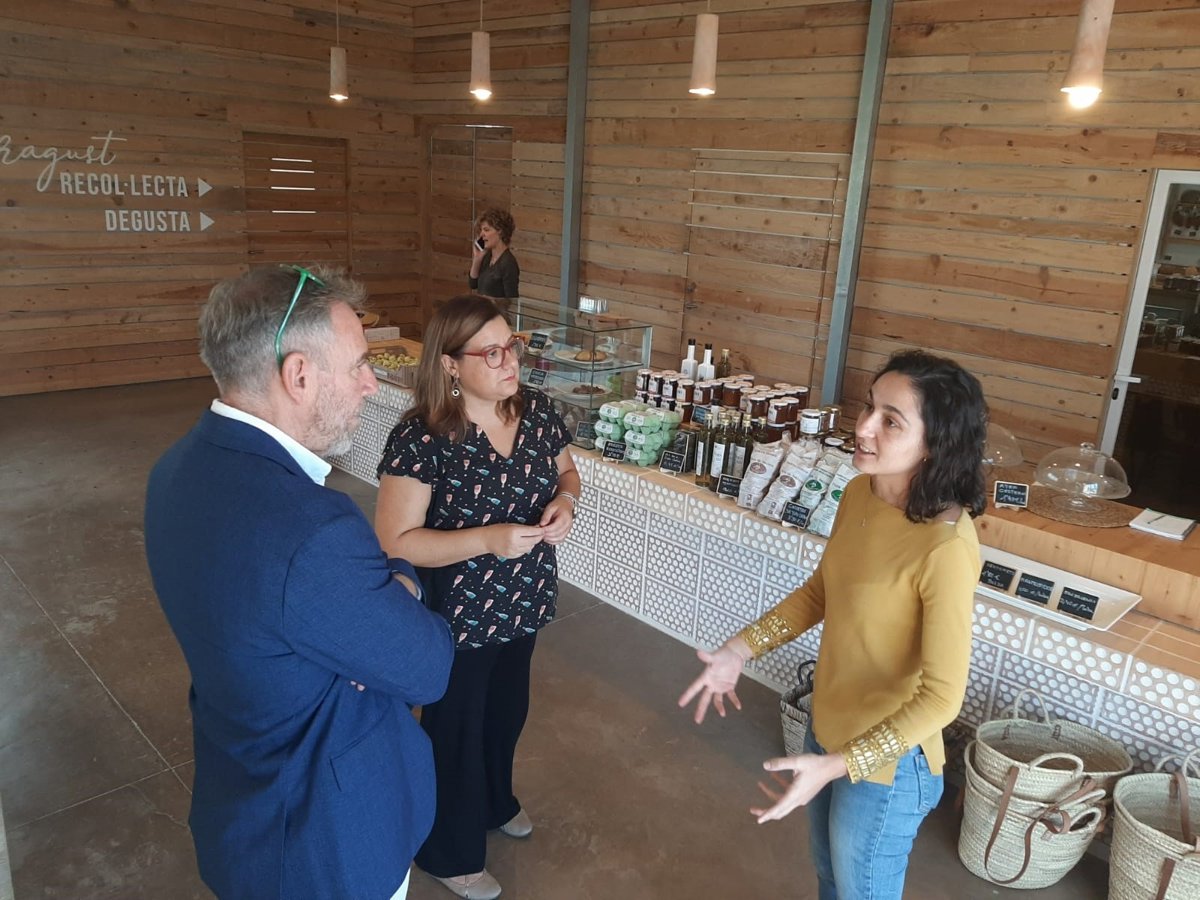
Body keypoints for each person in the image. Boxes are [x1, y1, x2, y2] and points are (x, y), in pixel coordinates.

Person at [144, 265, 455, 900]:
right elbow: (427, 666)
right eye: (359, 365)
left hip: (243, 803)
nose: (371, 384)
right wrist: (398, 578)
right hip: (323, 846)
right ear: (299, 376)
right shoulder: (312, 531)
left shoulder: (174, 470)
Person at [679, 350, 988, 900]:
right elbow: (821, 593)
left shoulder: (946, 547)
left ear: (936, 443)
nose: (864, 427)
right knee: (830, 879)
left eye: (891, 421)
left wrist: (841, 764)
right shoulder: (859, 493)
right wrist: (739, 649)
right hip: (827, 728)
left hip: (890, 764)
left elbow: (943, 699)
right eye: (870, 408)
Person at [375, 294, 579, 899]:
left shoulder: (536, 410)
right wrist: (488, 539)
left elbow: (568, 472)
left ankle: (494, 800)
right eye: (490, 353)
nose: (508, 360)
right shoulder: (423, 436)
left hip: (524, 600)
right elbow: (395, 541)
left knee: (506, 712)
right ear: (449, 365)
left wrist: (566, 501)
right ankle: (448, 849)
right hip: (457, 615)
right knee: (455, 730)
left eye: (511, 346)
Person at [469, 208, 519, 302]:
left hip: (494, 310)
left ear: (500, 231)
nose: (481, 235)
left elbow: (512, 301)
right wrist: (477, 259)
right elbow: (473, 284)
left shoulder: (508, 263)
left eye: (486, 230)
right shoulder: (487, 256)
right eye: (481, 230)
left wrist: (493, 301)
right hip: (483, 309)